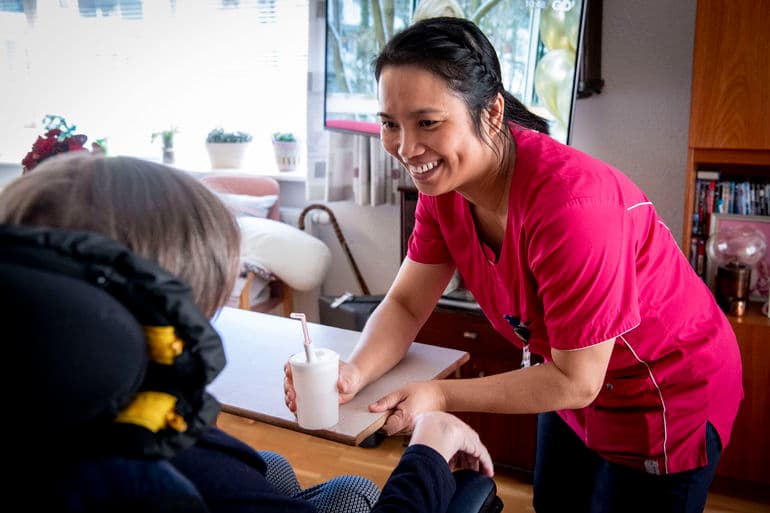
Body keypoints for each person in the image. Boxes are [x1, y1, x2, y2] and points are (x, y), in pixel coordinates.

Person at [283, 16, 744, 513]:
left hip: (660, 392)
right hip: (569, 382)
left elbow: (577, 380)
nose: (406, 147)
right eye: (390, 123)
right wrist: (354, 371)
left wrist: (438, 397)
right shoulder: (445, 189)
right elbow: (406, 302)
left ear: (493, 112)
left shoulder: (572, 208)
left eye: (428, 122)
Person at [0, 152, 493, 513]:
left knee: (271, 463)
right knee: (353, 491)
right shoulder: (165, 471)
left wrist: (358, 369)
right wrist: (430, 448)